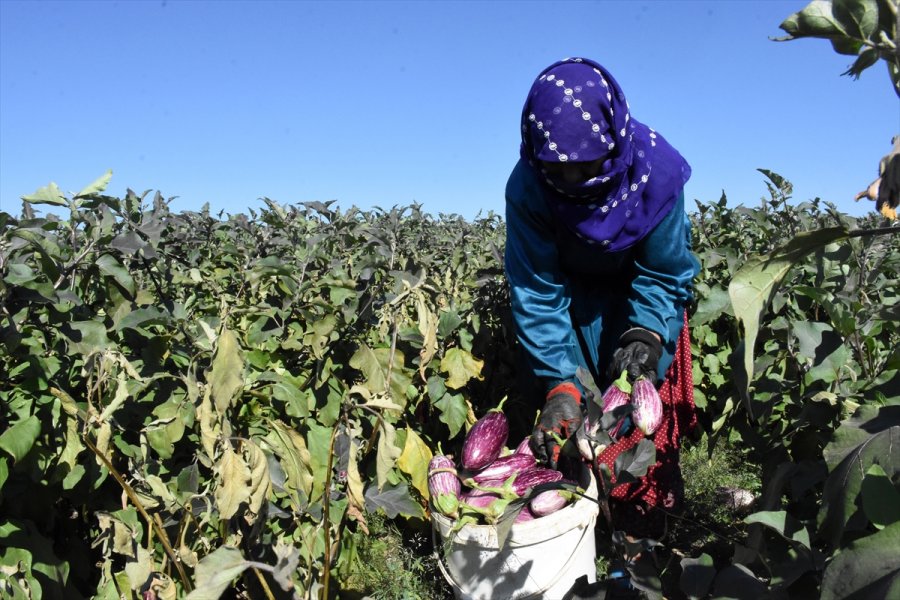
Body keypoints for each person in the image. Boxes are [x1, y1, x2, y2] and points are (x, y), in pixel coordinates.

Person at [505, 57, 699, 535]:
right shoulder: (529, 188)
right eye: (559, 170)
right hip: (569, 314)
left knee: (639, 419)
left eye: (587, 166)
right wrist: (558, 381)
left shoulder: (656, 173)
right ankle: (581, 532)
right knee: (574, 425)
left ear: (614, 140)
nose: (573, 182)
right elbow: (536, 290)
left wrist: (647, 331)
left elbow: (664, 270)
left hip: (641, 303)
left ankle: (647, 528)